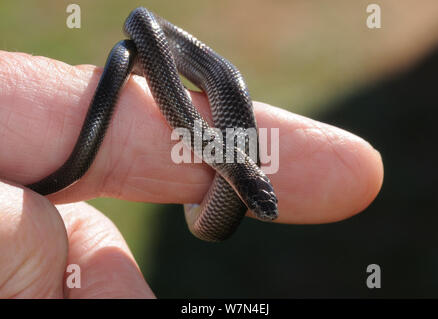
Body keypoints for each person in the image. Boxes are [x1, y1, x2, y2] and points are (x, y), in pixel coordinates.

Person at [0, 51, 383, 298]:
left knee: (133, 51)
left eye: (262, 202)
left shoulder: (229, 158)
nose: (261, 209)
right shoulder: (224, 156)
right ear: (247, 185)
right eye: (257, 202)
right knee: (130, 50)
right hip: (171, 60)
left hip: (205, 104)